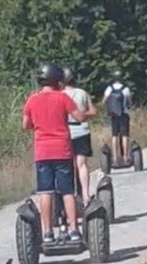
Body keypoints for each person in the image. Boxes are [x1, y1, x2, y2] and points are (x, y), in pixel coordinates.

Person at [23, 63, 88, 245]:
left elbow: (25, 125)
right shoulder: (63, 98)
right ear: (57, 81)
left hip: (42, 152)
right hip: (62, 150)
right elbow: (80, 117)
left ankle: (48, 232)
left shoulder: (32, 100)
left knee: (45, 191)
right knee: (67, 191)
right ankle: (74, 230)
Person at [62, 67, 98, 205]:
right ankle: (85, 195)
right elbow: (94, 111)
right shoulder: (82, 93)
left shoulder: (59, 95)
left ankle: (69, 197)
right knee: (82, 165)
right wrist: (82, 115)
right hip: (82, 130)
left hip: (65, 132)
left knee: (68, 166)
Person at [103, 70, 133, 166]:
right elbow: (130, 102)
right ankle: (126, 157)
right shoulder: (125, 89)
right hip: (123, 114)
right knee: (125, 135)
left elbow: (104, 101)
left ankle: (115, 157)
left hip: (113, 115)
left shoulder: (109, 88)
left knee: (114, 135)